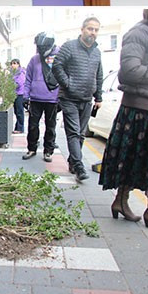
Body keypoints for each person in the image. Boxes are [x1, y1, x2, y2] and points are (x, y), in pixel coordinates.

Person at [98, 8, 148, 234]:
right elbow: (128, 71)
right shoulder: (140, 32)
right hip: (141, 106)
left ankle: (121, 201)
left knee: (133, 157)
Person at [52, 17, 104, 183]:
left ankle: (73, 162)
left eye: (96, 30)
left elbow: (99, 74)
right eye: (90, 29)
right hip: (69, 98)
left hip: (87, 99)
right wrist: (68, 84)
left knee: (81, 134)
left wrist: (98, 97)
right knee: (73, 132)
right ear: (82, 29)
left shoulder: (97, 52)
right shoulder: (70, 47)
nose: (93, 32)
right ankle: (79, 166)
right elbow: (57, 65)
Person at [22, 32, 59, 162]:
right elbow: (28, 79)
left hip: (52, 99)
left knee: (50, 127)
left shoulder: (60, 57)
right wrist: (25, 96)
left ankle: (48, 151)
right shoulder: (34, 59)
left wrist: (61, 97)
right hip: (35, 99)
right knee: (32, 125)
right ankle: (31, 149)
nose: (40, 49)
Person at [10, 58, 27, 134]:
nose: (13, 65)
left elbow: (20, 83)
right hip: (15, 94)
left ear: (18, 64)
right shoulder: (13, 73)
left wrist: (11, 85)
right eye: (12, 63)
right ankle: (17, 127)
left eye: (15, 63)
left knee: (19, 111)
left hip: (20, 94)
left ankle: (20, 128)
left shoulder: (21, 72)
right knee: (16, 111)